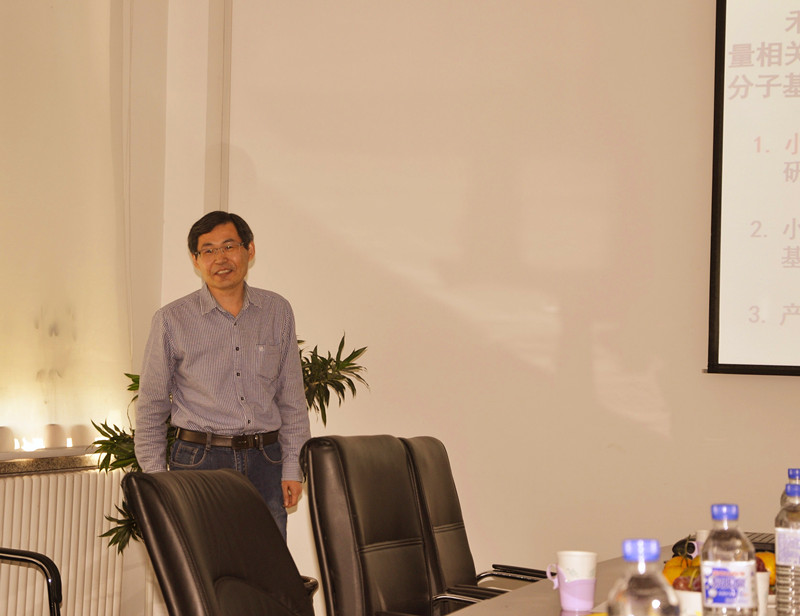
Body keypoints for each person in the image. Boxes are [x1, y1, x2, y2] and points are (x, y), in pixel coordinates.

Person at [134, 210, 311, 539]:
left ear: (249, 250)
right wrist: (158, 479)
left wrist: (292, 466)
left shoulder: (277, 311)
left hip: (266, 461)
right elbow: (151, 405)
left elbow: (291, 397)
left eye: (229, 246)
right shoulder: (171, 320)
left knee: (267, 562)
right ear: (195, 259)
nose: (220, 258)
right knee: (205, 561)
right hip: (199, 460)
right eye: (209, 250)